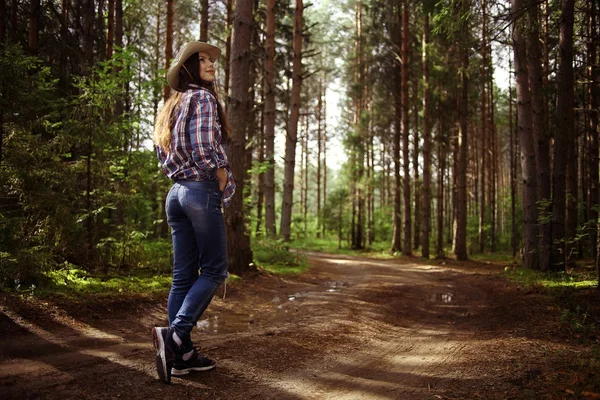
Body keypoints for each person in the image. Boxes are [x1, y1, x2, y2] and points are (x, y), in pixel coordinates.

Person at [151, 41, 235, 384]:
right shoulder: (201, 98)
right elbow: (203, 147)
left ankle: (183, 356)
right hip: (200, 189)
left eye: (210, 59)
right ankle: (173, 337)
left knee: (184, 276)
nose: (210, 63)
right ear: (187, 68)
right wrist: (220, 173)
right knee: (215, 270)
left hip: (176, 193)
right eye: (201, 60)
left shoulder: (171, 104)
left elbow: (162, 152)